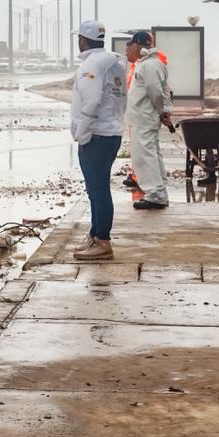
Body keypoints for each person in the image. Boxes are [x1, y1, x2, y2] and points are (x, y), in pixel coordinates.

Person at [70, 20, 128, 262]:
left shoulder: (91, 65)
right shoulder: (114, 63)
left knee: (98, 191)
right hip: (111, 132)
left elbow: (91, 102)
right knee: (99, 189)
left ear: (83, 40)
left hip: (97, 136)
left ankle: (102, 241)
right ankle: (95, 235)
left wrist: (81, 135)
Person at [126, 31, 173, 209]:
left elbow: (155, 90)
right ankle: (158, 192)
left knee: (145, 156)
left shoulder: (149, 64)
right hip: (144, 117)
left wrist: (163, 111)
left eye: (130, 45)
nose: (128, 49)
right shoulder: (150, 63)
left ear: (137, 45)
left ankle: (155, 194)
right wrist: (164, 111)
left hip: (144, 118)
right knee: (151, 154)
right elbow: (162, 90)